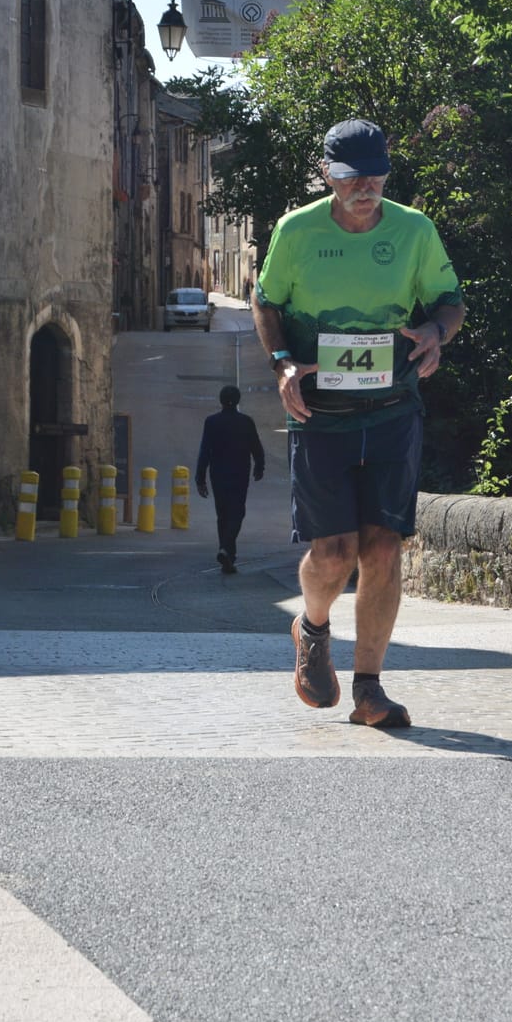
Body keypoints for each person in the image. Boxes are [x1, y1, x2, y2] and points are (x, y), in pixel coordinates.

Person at [252, 118, 466, 728]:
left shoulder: (413, 231)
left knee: (382, 546)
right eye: (349, 177)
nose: (364, 187)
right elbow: (265, 301)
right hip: (320, 412)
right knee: (334, 552)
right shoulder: (296, 231)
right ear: (327, 176)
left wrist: (434, 331)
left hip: (393, 406)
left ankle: (369, 687)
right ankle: (312, 628)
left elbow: (450, 302)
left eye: (375, 174)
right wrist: (283, 363)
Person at [194, 383, 265, 574]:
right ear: (238, 400)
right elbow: (256, 447)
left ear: (220, 401)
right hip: (239, 473)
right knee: (237, 512)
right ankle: (226, 549)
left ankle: (227, 554)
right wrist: (260, 466)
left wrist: (200, 477)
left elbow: (205, 451)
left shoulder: (211, 422)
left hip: (218, 474)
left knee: (222, 514)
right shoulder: (246, 422)